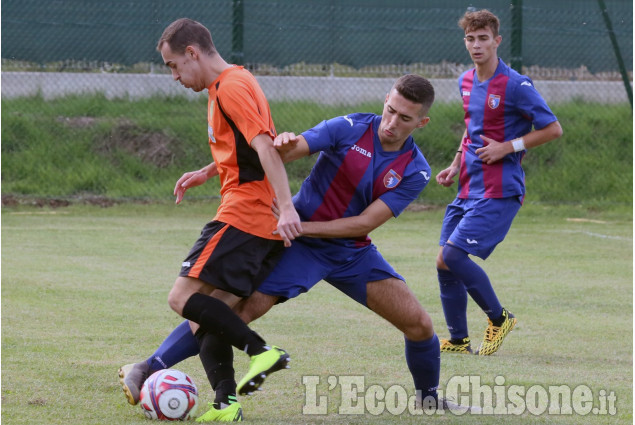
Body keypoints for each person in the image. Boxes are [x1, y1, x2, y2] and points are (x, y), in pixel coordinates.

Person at [121, 74, 473, 419]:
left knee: (420, 326)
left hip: (349, 251)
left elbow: (365, 223)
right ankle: (150, 366)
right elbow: (276, 153)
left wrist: (300, 226)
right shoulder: (349, 127)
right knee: (236, 310)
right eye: (390, 110)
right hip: (297, 246)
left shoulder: (416, 170)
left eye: (405, 118)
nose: (392, 122)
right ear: (386, 100)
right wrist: (210, 170)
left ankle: (428, 400)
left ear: (422, 122)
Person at [119, 17, 303, 422]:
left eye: (173, 66)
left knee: (181, 298)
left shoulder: (230, 88)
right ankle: (226, 404)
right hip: (257, 219)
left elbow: (266, 148)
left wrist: (288, 206)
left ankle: (262, 352)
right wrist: (210, 170)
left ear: (192, 53)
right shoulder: (237, 79)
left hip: (245, 215)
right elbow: (244, 150)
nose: (174, 77)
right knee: (210, 316)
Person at [435, 9, 562, 356]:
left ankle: (499, 317)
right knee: (443, 262)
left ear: (496, 41)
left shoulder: (516, 85)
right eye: (470, 39)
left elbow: (553, 129)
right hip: (468, 186)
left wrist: (509, 146)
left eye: (483, 39)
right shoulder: (465, 80)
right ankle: (460, 340)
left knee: (454, 255)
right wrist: (455, 163)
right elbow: (472, 128)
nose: (476, 45)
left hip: (499, 190)